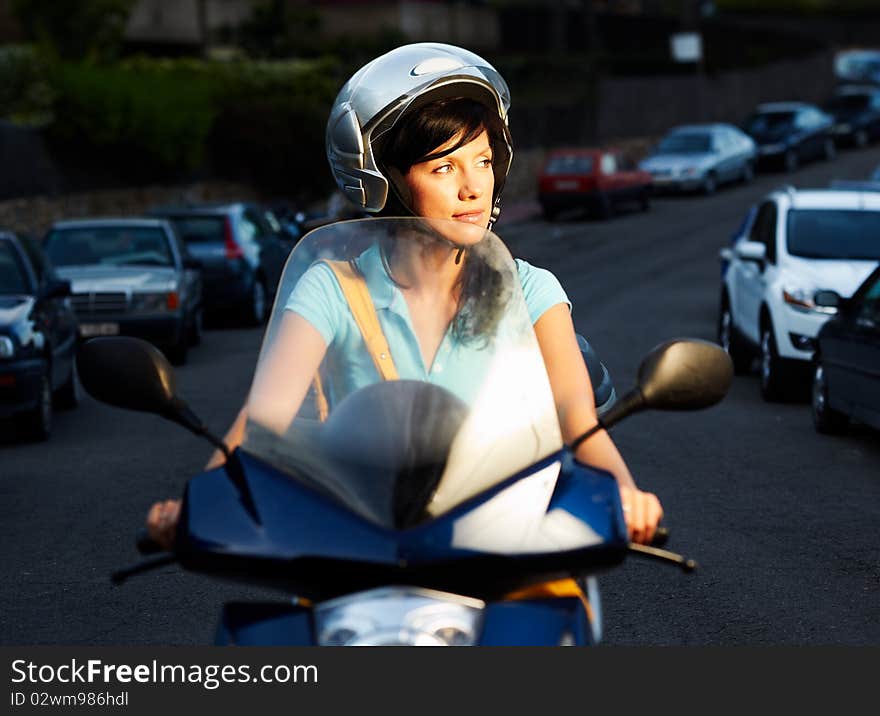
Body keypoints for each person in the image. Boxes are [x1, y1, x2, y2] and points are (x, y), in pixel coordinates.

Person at [147, 42, 663, 548]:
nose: (472, 188)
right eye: (444, 167)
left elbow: (579, 420)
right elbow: (260, 425)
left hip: (501, 551)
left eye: (483, 162)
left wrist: (625, 493)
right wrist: (196, 504)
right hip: (361, 549)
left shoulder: (531, 289)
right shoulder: (333, 288)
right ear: (389, 183)